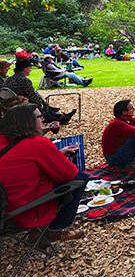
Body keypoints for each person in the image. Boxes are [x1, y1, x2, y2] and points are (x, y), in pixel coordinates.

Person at [0, 103, 87, 242]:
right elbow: (69, 174)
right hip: (21, 211)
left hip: (4, 206)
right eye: (40, 117)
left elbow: (21, 163)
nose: (43, 120)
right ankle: (53, 231)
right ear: (28, 122)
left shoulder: (3, 141)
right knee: (81, 178)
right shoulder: (37, 143)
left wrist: (58, 153)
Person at [3, 58, 76, 126]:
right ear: (25, 69)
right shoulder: (24, 80)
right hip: (22, 105)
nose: (31, 70)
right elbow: (32, 95)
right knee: (41, 110)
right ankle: (60, 120)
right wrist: (39, 103)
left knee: (42, 108)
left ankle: (60, 116)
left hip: (9, 104)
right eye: (30, 68)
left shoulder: (9, 79)